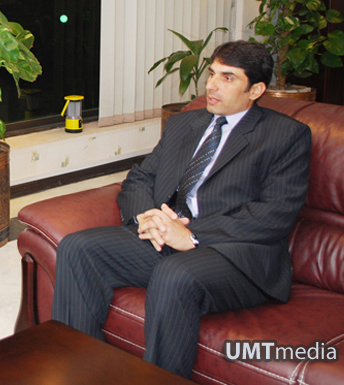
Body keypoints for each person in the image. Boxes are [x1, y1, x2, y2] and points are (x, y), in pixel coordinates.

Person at [51, 40, 312, 378]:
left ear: (256, 90)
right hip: (168, 237)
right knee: (78, 247)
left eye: (228, 78)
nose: (212, 85)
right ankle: (81, 371)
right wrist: (147, 218)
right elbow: (140, 177)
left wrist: (191, 235)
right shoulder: (183, 124)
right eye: (212, 74)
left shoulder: (285, 136)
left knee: (174, 275)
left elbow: (273, 215)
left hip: (234, 254)